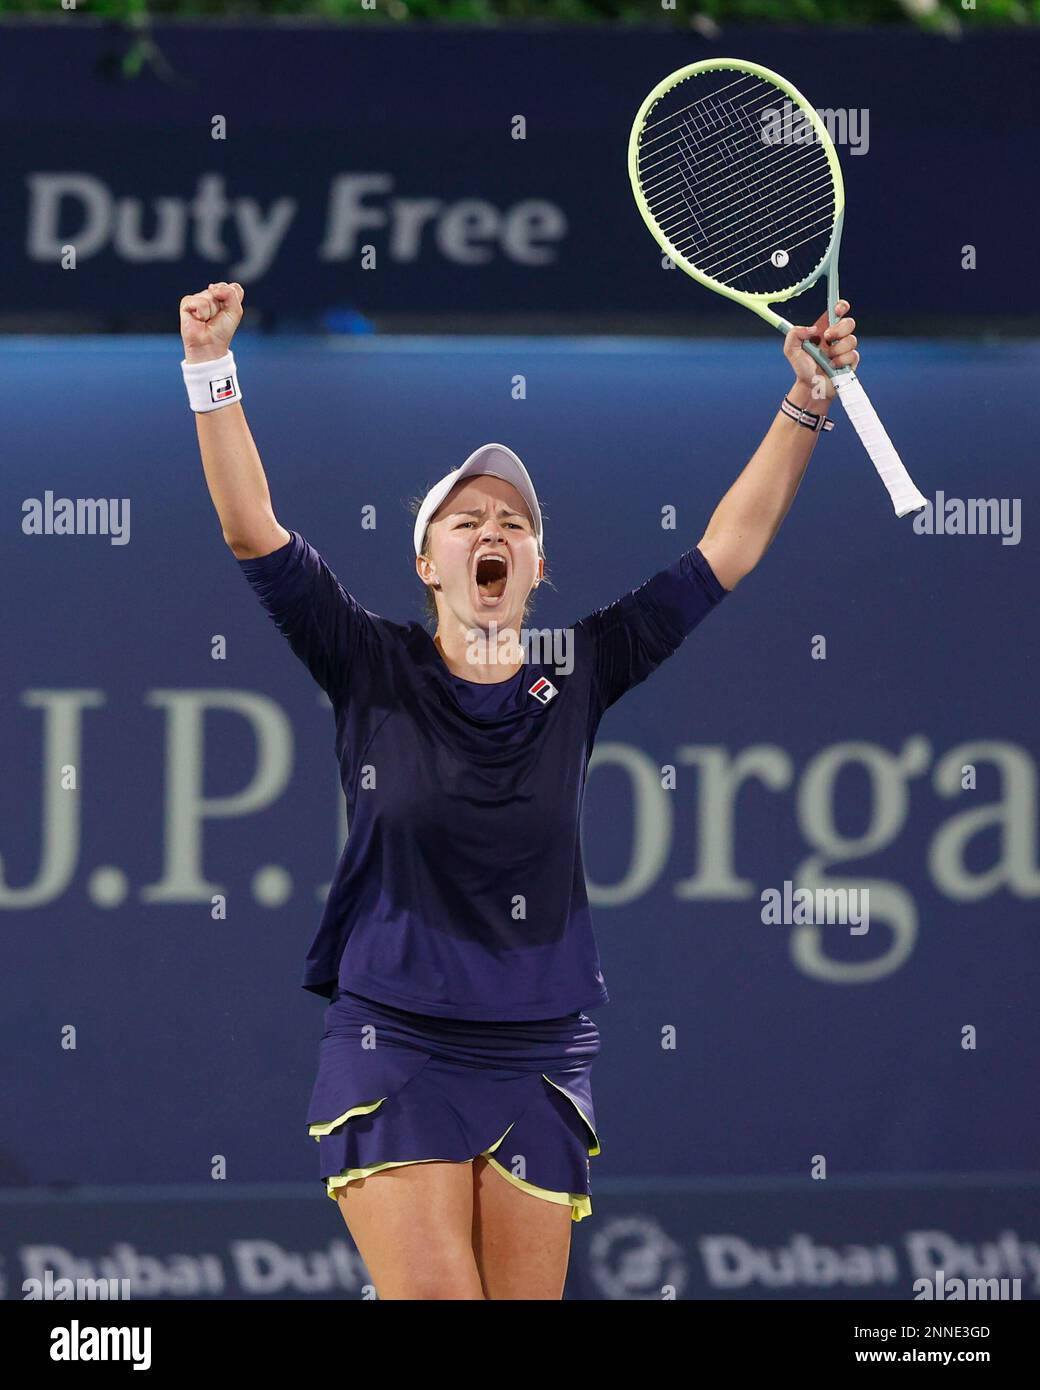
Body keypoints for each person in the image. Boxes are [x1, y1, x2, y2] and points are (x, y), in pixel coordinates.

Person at [179, 280, 859, 1300]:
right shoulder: (367, 659)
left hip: (539, 1041)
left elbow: (729, 547)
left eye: (510, 521)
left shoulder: (582, 664)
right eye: (463, 519)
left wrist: (804, 401)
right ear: (428, 561)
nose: (488, 528)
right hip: (393, 1033)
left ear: (534, 566)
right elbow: (249, 526)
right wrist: (209, 367)